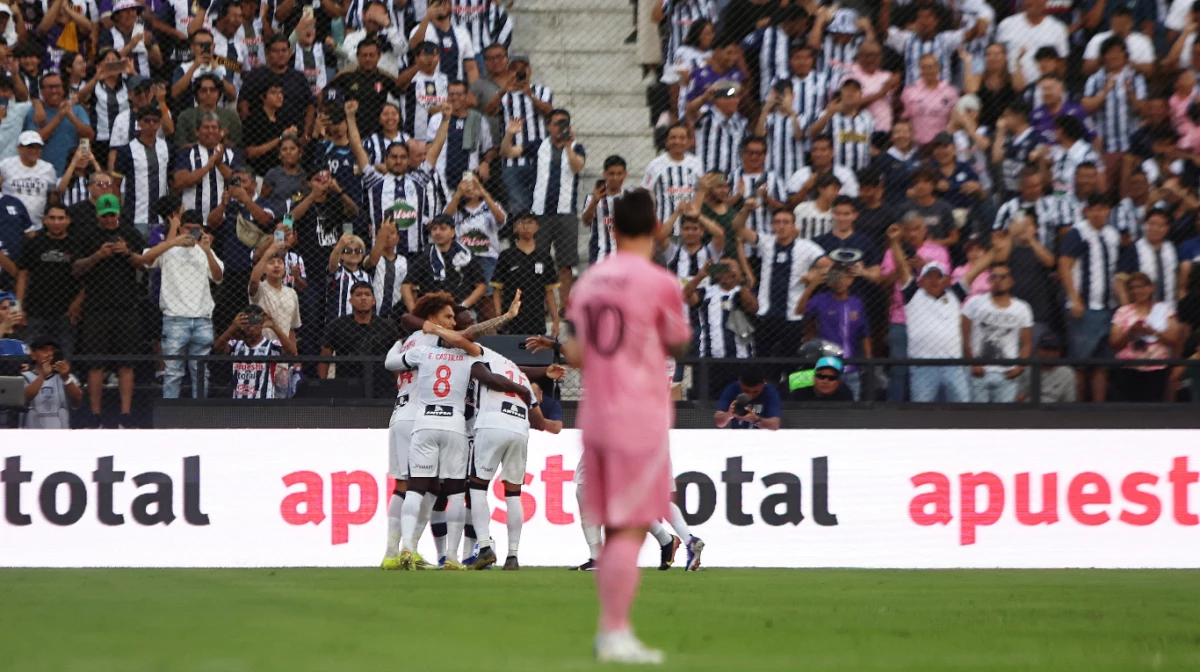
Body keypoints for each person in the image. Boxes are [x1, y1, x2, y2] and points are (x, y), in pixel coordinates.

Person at [562, 187, 691, 663]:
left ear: (611, 227)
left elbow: (574, 353)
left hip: (595, 416)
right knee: (628, 530)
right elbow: (677, 344)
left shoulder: (590, 281)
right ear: (656, 229)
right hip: (640, 417)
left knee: (609, 524)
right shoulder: (660, 283)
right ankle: (614, 631)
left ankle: (612, 630)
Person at [467, 345, 557, 570]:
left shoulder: (482, 361)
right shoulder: (522, 379)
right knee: (514, 494)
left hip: (492, 424)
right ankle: (513, 556)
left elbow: (482, 377)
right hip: (519, 429)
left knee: (477, 488)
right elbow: (539, 422)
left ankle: (485, 546)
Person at [70, 193, 146, 428]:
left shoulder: (131, 234)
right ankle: (95, 415)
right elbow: (75, 269)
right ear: (98, 216)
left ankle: (125, 415)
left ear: (118, 214)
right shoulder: (88, 236)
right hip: (96, 308)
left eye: (112, 215)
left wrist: (128, 252)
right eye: (104, 216)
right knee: (96, 364)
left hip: (126, 306)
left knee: (126, 363)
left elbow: (143, 263)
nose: (109, 220)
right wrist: (97, 256)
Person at [140, 210, 224, 399]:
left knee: (201, 371)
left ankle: (201, 418)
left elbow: (218, 277)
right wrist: (173, 241)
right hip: (175, 318)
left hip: (202, 318)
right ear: (180, 228)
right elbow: (144, 260)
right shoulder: (168, 248)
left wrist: (208, 250)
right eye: (188, 228)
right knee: (172, 372)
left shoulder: (205, 250)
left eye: (196, 229)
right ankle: (170, 419)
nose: (192, 233)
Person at [735, 208, 828, 363]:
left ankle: (792, 387)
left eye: (786, 222)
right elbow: (738, 228)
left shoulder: (807, 247)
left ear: (793, 226)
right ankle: (767, 386)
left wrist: (814, 274)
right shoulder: (766, 242)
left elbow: (832, 269)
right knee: (762, 362)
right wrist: (746, 209)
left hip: (792, 317)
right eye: (777, 222)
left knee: (792, 364)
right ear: (772, 226)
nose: (781, 226)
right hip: (765, 316)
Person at [1060, 194, 1121, 403]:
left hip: (1108, 307)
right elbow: (1064, 265)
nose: (1098, 213)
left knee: (1102, 363)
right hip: (1084, 309)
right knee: (1081, 363)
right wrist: (1074, 299)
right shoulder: (1078, 233)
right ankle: (1080, 410)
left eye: (1102, 208)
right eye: (1094, 208)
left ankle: (1099, 409)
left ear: (1108, 211)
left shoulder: (1113, 235)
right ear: (1087, 211)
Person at [962, 262, 1034, 403]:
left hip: (1007, 374)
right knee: (978, 419)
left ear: (1011, 281)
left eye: (1003, 277)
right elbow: (964, 336)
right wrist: (972, 363)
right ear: (989, 280)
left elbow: (1027, 343)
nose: (998, 280)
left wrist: (1019, 368)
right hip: (979, 372)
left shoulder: (1022, 308)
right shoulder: (974, 303)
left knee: (1004, 419)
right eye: (994, 276)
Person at [798, 263, 870, 400]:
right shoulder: (821, 300)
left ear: (850, 280)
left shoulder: (857, 303)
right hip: (827, 369)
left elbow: (865, 334)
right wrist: (813, 285)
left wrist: (868, 361)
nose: (839, 281)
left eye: (843, 277)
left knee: (851, 410)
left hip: (851, 368)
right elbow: (800, 311)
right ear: (829, 281)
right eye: (835, 277)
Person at [15, 203, 79, 355]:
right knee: (31, 356)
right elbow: (23, 275)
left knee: (65, 357)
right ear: (44, 220)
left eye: (61, 218)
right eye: (52, 218)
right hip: (36, 310)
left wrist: (77, 304)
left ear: (68, 220)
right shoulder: (34, 243)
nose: (56, 222)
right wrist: (18, 307)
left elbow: (85, 280)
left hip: (65, 312)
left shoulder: (76, 245)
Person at [318, 282, 399, 396]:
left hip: (382, 385)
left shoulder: (387, 326)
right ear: (351, 300)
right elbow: (325, 356)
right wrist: (323, 385)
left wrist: (400, 386)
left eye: (367, 294)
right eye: (358, 295)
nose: (363, 298)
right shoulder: (337, 325)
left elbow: (395, 358)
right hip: (347, 384)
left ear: (373, 300)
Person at [1110, 272, 1180, 402]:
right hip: (1128, 367)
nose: (1138, 291)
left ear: (1151, 288)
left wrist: (1152, 331)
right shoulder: (1122, 312)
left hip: (1156, 367)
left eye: (1141, 287)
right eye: (1133, 288)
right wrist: (1130, 333)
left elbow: (1174, 338)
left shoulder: (1164, 310)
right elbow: (1114, 343)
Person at [490, 212, 559, 336]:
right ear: (515, 228)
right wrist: (498, 316)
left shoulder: (544, 257)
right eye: (521, 223)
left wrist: (556, 321)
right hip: (511, 319)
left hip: (536, 318)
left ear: (537, 227)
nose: (526, 227)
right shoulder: (506, 255)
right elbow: (497, 289)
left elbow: (549, 292)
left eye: (530, 222)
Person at [402, 214, 486, 311]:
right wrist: (414, 312)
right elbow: (406, 285)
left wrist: (463, 306)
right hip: (432, 311)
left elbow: (481, 286)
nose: (437, 232)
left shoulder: (466, 255)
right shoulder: (426, 256)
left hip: (461, 310)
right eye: (434, 229)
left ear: (453, 232)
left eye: (443, 229)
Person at [238, 34, 316, 139]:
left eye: (284, 50)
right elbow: (243, 104)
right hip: (263, 134)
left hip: (295, 135)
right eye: (275, 51)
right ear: (267, 54)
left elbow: (310, 106)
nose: (280, 54)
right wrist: (251, 130)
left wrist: (306, 134)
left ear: (289, 53)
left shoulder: (299, 77)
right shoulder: (255, 76)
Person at [212, 305, 296, 399]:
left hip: (263, 402)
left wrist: (275, 327)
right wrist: (233, 327)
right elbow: (217, 348)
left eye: (255, 321)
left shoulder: (271, 345)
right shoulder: (235, 345)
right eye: (248, 321)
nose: (251, 326)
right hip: (238, 401)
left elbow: (292, 352)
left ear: (261, 324)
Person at [112, 105, 170, 235]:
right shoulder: (126, 150)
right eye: (146, 120)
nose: (151, 124)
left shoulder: (167, 148)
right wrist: (118, 212)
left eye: (155, 121)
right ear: (139, 123)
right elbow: (116, 184)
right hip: (134, 217)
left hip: (161, 218)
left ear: (160, 123)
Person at [24, 71, 94, 175]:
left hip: (72, 173)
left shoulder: (77, 110)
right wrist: (60, 116)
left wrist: (70, 115)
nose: (54, 91)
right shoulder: (35, 112)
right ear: (42, 91)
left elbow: (89, 135)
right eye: (50, 87)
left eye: (57, 86)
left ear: (63, 89)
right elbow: (35, 140)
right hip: (43, 172)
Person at [642, 122, 704, 230]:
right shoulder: (655, 164)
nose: (677, 141)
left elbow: (702, 190)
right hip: (664, 227)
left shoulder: (696, 163)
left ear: (688, 141)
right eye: (673, 138)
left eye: (682, 138)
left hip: (690, 228)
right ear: (666, 142)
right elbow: (644, 191)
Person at [407, 0, 479, 85]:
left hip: (455, 90)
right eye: (437, 3)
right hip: (429, 89)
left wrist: (473, 93)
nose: (441, 6)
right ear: (429, 7)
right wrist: (427, 17)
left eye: (445, 2)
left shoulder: (462, 32)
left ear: (451, 6)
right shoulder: (420, 29)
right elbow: (413, 46)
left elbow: (471, 68)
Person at [248, 239, 302, 346]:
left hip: (283, 352)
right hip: (262, 350)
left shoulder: (292, 293)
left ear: (285, 269)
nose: (276, 265)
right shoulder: (260, 289)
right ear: (264, 269)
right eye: (271, 263)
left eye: (280, 262)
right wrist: (268, 253)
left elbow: (291, 329)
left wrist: (295, 359)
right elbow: (254, 280)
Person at [20, 334, 81, 428]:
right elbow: (23, 398)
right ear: (33, 355)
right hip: (31, 436)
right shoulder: (24, 377)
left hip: (60, 436)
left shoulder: (66, 376)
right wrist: (42, 376)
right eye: (44, 350)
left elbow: (77, 399)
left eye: (52, 350)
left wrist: (66, 378)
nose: (49, 353)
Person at [900, 53, 959, 147]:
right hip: (917, 144)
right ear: (921, 70)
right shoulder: (910, 91)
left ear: (939, 68)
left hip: (941, 145)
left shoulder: (950, 91)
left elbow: (955, 119)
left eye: (932, 66)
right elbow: (905, 118)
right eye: (925, 67)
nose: (929, 70)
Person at [174, 73, 244, 147]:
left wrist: (223, 141)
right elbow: (180, 147)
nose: (208, 93)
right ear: (197, 94)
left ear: (219, 93)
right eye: (204, 90)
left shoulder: (231, 116)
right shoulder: (185, 116)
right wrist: (203, 143)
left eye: (213, 90)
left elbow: (238, 147)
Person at [0, 132, 55, 224]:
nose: (34, 151)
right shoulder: (6, 165)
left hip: (38, 223)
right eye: (30, 147)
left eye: (38, 147)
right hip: (10, 222)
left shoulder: (48, 168)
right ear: (19, 148)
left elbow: (54, 195)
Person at [714, 366, 782, 429]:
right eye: (745, 391)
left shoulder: (770, 392)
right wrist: (728, 415)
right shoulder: (732, 389)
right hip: (739, 435)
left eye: (755, 392)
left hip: (763, 436)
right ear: (740, 381)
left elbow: (775, 425)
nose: (750, 395)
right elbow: (719, 423)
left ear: (763, 383)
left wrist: (755, 420)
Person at [1018, 333, 1077, 403]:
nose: (1049, 353)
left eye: (1053, 349)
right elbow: (1019, 397)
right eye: (1046, 349)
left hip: (1055, 410)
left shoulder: (1067, 373)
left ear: (1059, 352)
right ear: (1038, 351)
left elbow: (1070, 402)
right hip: (1030, 408)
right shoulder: (1027, 369)